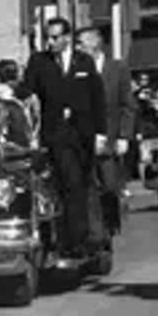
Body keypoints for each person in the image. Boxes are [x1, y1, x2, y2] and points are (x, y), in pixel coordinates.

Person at [16, 17, 108, 259]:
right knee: (70, 183)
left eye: (56, 37)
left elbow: (97, 99)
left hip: (83, 135)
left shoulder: (84, 62)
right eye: (48, 37)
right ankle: (71, 242)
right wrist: (23, 95)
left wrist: (100, 134)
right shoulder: (39, 61)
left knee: (84, 185)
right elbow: (26, 88)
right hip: (56, 134)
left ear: (67, 37)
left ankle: (89, 238)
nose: (52, 42)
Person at [77, 26, 134, 239]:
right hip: (84, 140)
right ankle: (94, 233)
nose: (77, 48)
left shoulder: (117, 69)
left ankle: (111, 223)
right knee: (86, 189)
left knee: (109, 186)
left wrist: (123, 136)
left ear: (94, 44)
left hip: (109, 140)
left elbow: (127, 105)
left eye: (81, 44)